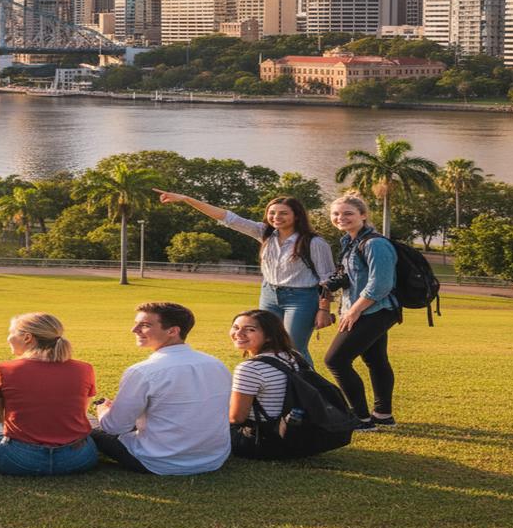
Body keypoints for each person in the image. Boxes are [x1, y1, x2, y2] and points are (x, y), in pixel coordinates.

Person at [155, 190, 335, 365]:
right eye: (272, 213)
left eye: (283, 213)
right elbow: (227, 217)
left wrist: (324, 310)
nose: (276, 217)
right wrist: (187, 199)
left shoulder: (314, 242)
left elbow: (327, 278)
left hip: (302, 298)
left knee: (294, 348)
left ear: (296, 216)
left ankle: (309, 390)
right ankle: (275, 386)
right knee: (266, 345)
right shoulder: (263, 233)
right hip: (269, 295)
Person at [92, 302, 232, 475]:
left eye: (144, 325)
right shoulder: (217, 364)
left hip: (160, 461)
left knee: (91, 425)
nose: (134, 329)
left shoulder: (142, 371)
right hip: (213, 458)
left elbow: (114, 427)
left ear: (173, 331)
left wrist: (102, 411)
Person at [0, 313, 98, 476]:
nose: (8, 338)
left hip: (18, 460)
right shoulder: (85, 369)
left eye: (11, 332)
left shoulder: (1, 369)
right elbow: (82, 412)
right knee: (88, 417)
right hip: (78, 459)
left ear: (28, 338)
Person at [324, 194, 400, 431]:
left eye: (348, 213)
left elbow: (381, 283)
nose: (341, 218)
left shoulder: (376, 244)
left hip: (374, 310)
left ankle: (361, 419)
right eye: (336, 214)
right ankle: (383, 415)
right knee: (375, 360)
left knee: (335, 360)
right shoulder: (349, 242)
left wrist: (353, 311)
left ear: (363, 215)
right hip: (362, 310)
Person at [227, 309, 306, 456]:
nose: (238, 334)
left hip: (261, 440)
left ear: (269, 336)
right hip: (293, 434)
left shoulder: (250, 368)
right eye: (236, 327)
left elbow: (236, 418)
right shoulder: (293, 355)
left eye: (250, 329)